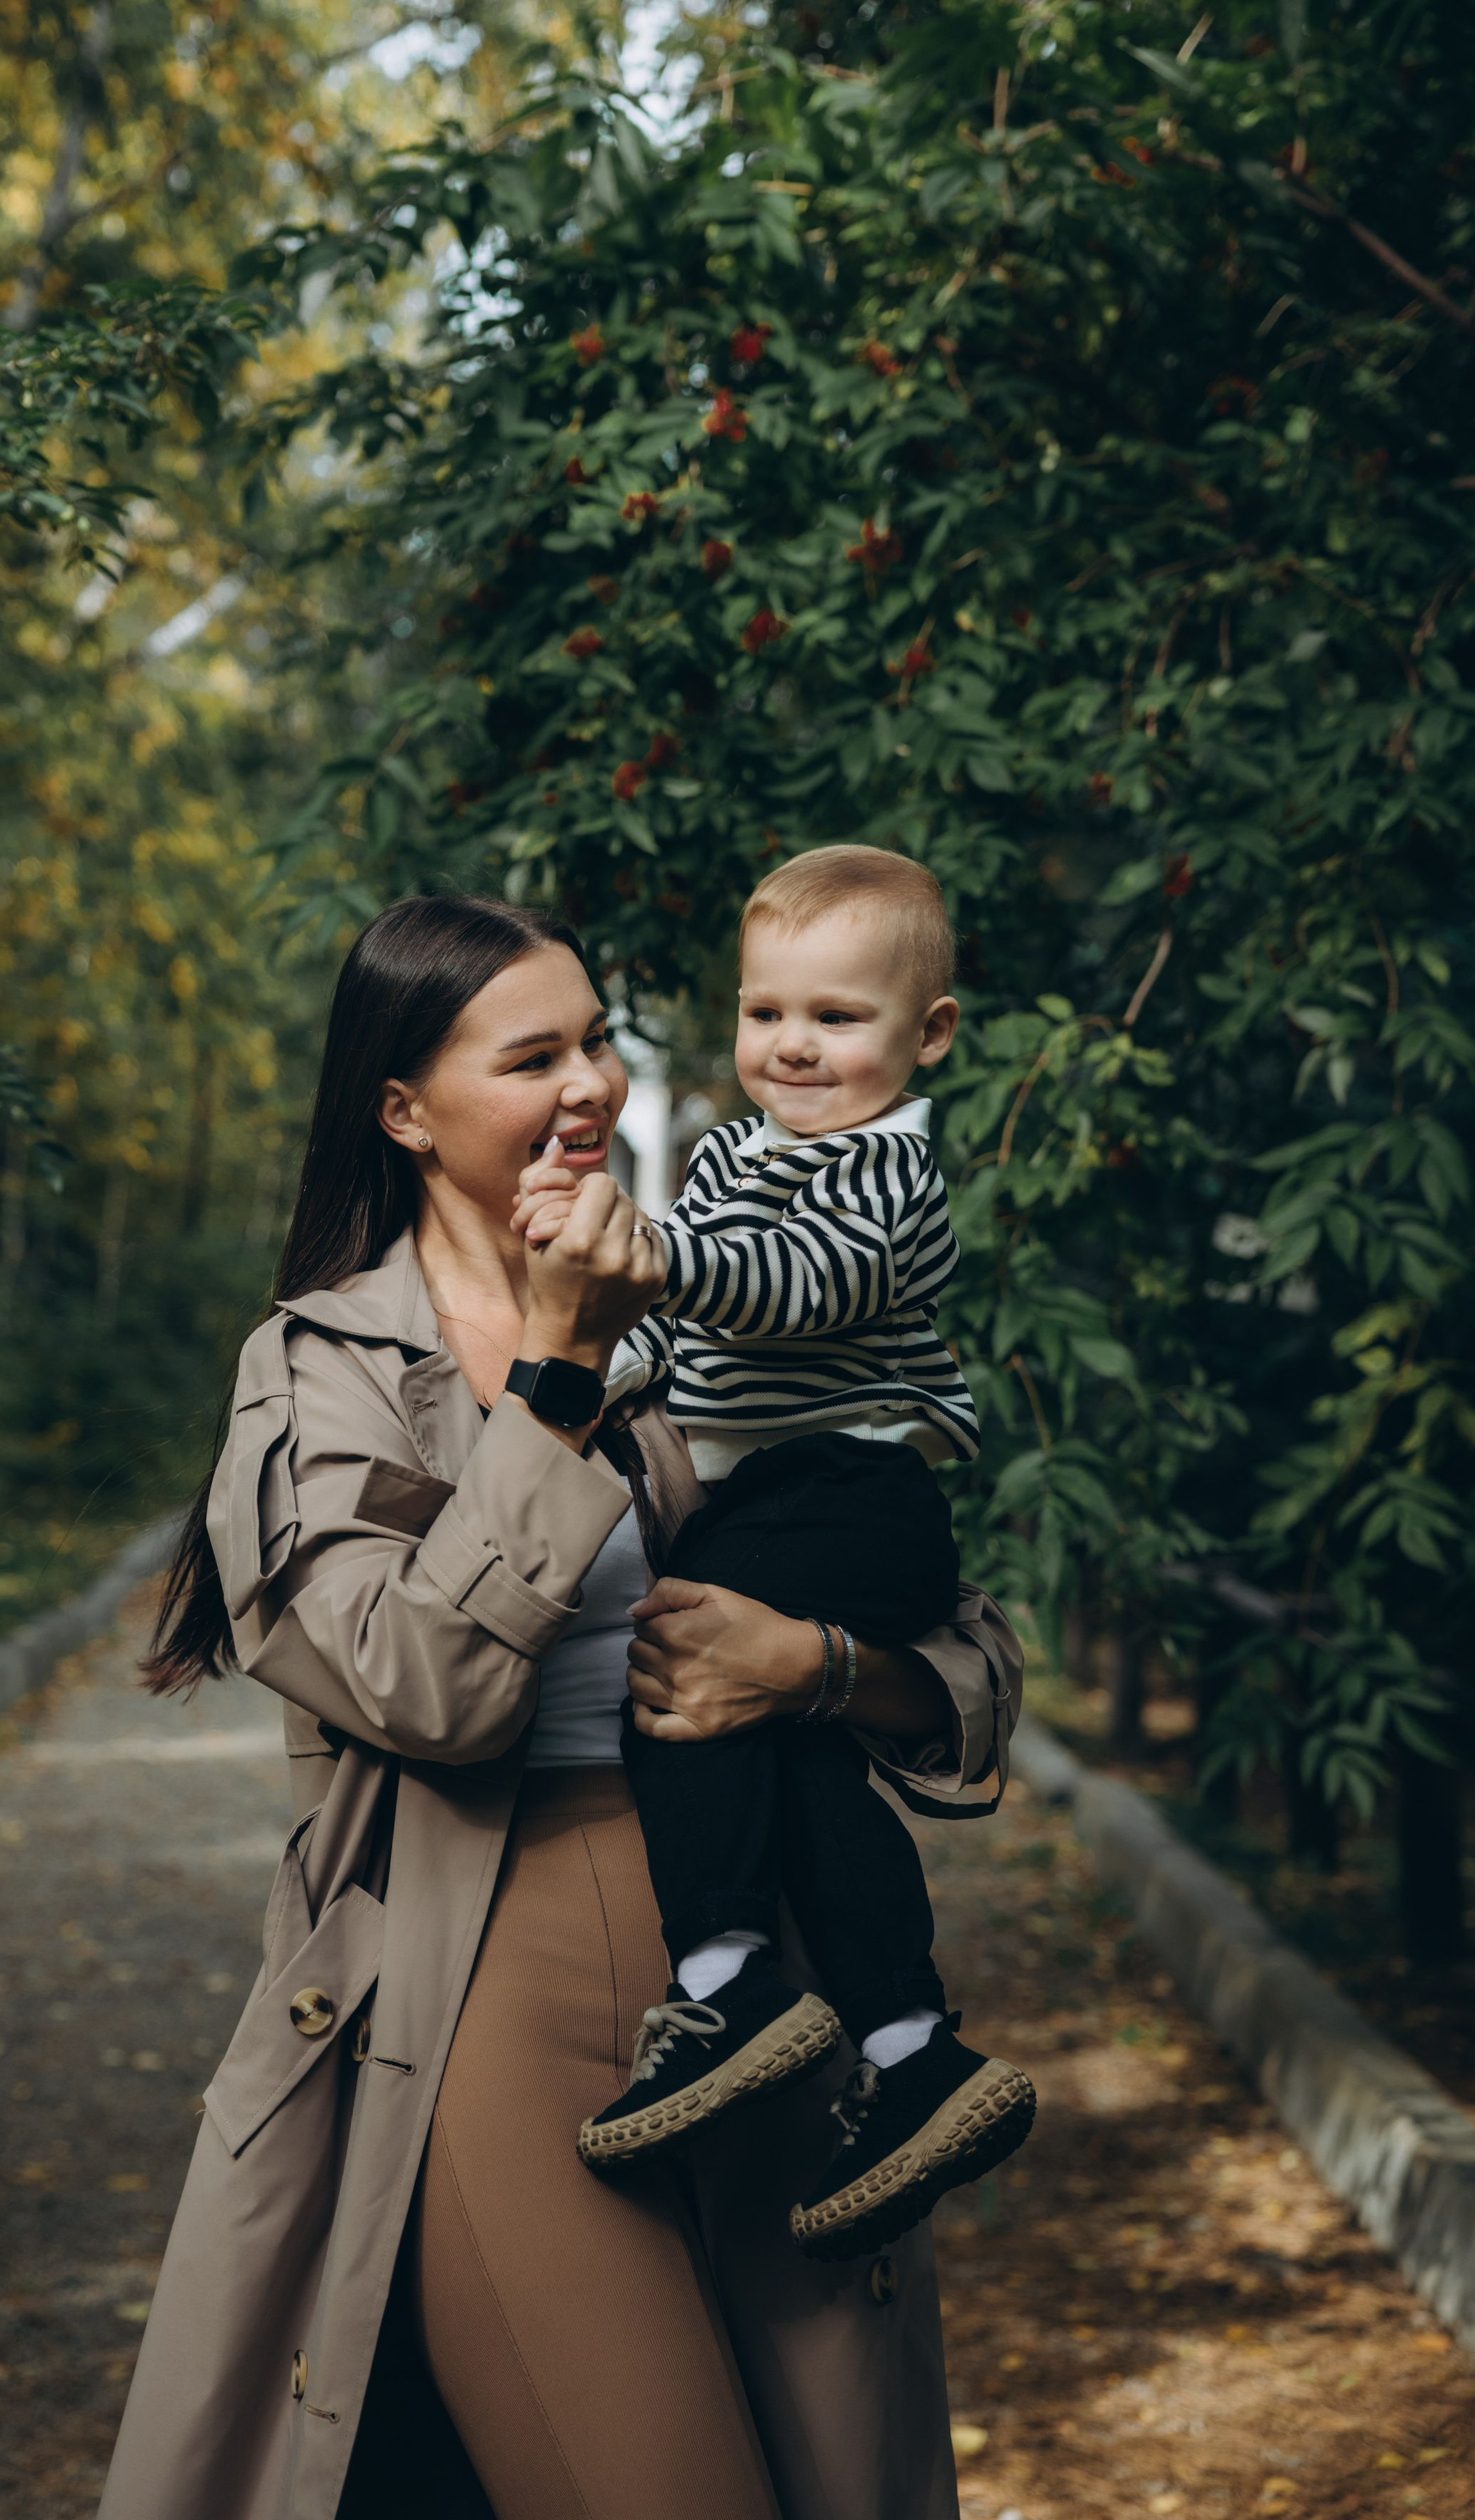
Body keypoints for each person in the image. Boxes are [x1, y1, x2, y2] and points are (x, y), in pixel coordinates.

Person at [95, 890, 1024, 2520]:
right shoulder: (318, 1372)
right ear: (404, 1109)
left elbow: (966, 1671)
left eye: (598, 1038)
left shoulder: (712, 1304)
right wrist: (557, 1372)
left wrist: (804, 1666)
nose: (591, 1085)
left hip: (764, 1998)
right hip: (488, 1999)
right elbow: (424, 1689)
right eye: (534, 1057)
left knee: (840, 2483)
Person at [514, 847, 1034, 2259]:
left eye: (836, 1018)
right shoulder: (740, 1155)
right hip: (800, 1497)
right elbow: (681, 1338)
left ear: (925, 1035)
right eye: (766, 1014)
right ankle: (913, 2046)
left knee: (676, 1682)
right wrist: (583, 1346)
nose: (792, 1048)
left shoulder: (887, 1164)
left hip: (850, 1492)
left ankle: (725, 1976)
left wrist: (655, 1262)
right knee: (794, 1752)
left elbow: (797, 1291)